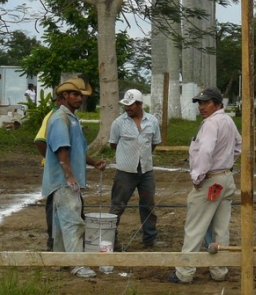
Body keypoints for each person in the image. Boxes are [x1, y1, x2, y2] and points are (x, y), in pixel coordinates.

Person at [168, 87, 242, 284]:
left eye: (206, 102)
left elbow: (205, 152)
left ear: (217, 104)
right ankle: (219, 270)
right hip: (226, 178)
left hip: (210, 180)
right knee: (221, 228)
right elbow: (237, 146)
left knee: (195, 227)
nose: (202, 106)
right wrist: (225, 163)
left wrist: (198, 176)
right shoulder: (227, 121)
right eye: (200, 103)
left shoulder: (211, 123)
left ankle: (184, 272)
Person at [41, 77, 107, 278]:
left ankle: (60, 260)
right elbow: (62, 150)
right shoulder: (60, 119)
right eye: (75, 94)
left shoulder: (71, 118)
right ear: (64, 96)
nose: (79, 98)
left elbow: (75, 150)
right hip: (64, 181)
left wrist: (93, 162)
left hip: (63, 179)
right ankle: (78, 264)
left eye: (81, 95)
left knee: (61, 224)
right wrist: (69, 176)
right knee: (73, 221)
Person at [108, 89, 162, 249]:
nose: (128, 108)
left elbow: (154, 142)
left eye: (131, 105)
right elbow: (113, 144)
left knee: (148, 205)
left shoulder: (152, 121)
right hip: (125, 171)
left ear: (140, 104)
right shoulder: (118, 123)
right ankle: (111, 238)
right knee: (117, 205)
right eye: (126, 105)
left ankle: (150, 238)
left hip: (146, 171)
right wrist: (128, 156)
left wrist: (142, 156)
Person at [33, 94, 64, 251]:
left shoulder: (66, 117)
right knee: (53, 204)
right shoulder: (52, 117)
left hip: (64, 168)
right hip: (55, 170)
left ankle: (61, 240)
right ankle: (52, 242)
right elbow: (39, 140)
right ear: (58, 101)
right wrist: (53, 160)